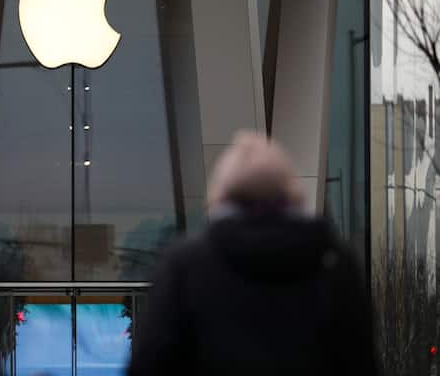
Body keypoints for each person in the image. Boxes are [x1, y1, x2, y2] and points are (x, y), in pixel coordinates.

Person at [127, 132, 376, 375]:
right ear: (293, 194)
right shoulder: (334, 264)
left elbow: (150, 363)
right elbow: (360, 362)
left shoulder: (185, 266)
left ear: (220, 195)